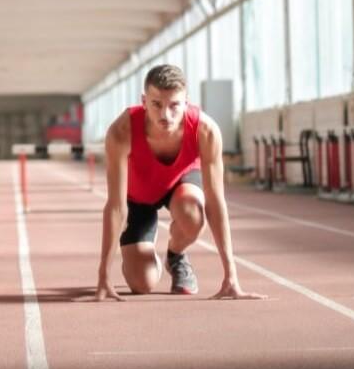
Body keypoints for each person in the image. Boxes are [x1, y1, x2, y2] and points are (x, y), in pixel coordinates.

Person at [88, 64, 265, 302]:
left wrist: (231, 275)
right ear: (144, 100)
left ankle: (176, 255)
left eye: (174, 106)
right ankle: (145, 258)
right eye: (156, 104)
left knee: (193, 212)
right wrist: (103, 276)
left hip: (180, 184)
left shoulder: (206, 130)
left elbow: (215, 202)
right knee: (141, 284)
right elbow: (116, 207)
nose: (165, 115)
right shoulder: (121, 131)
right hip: (138, 196)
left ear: (186, 102)